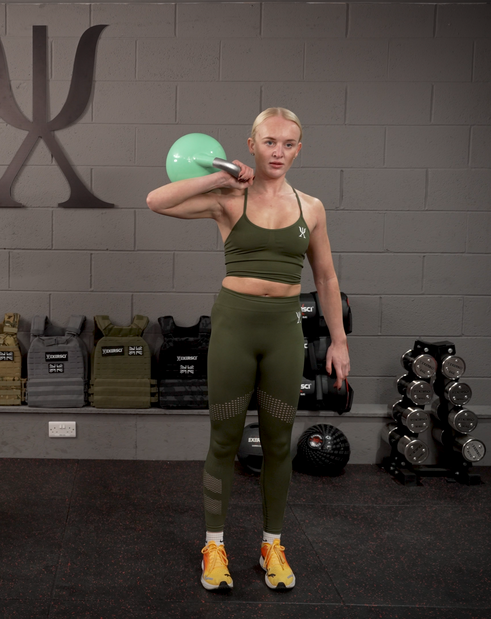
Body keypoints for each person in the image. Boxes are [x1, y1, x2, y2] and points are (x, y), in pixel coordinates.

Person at [146, 108, 350, 591]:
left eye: (288, 144)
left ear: (298, 150)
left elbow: (325, 278)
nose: (278, 152)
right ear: (252, 145)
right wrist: (218, 178)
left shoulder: (312, 208)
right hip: (235, 328)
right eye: (269, 142)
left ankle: (271, 545)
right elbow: (156, 200)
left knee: (279, 443)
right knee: (223, 440)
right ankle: (214, 546)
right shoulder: (228, 199)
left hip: (283, 332)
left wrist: (339, 341)